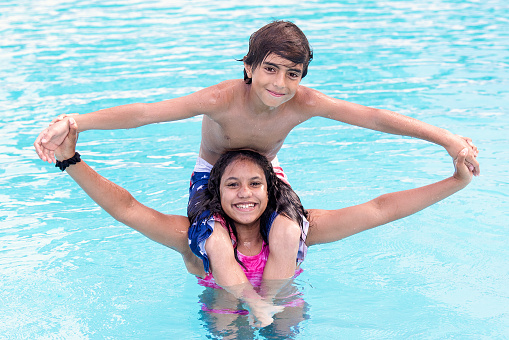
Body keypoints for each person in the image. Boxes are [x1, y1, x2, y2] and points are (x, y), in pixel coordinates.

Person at [33, 20, 479, 295]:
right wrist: (77, 121)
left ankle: (276, 305)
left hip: (266, 174)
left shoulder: (303, 102)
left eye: (293, 74)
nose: (280, 83)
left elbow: (373, 117)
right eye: (270, 68)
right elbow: (147, 113)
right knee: (214, 245)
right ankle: (242, 304)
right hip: (215, 177)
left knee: (288, 229)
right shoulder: (221, 99)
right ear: (248, 67)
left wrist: (445, 139)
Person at [48, 118, 473, 329]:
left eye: (254, 183)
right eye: (232, 185)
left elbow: (382, 209)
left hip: (284, 304)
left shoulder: (302, 227)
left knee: (285, 327)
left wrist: (455, 181)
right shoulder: (192, 238)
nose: (245, 194)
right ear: (217, 193)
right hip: (224, 311)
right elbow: (127, 208)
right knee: (226, 324)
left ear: (270, 190)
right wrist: (70, 160)